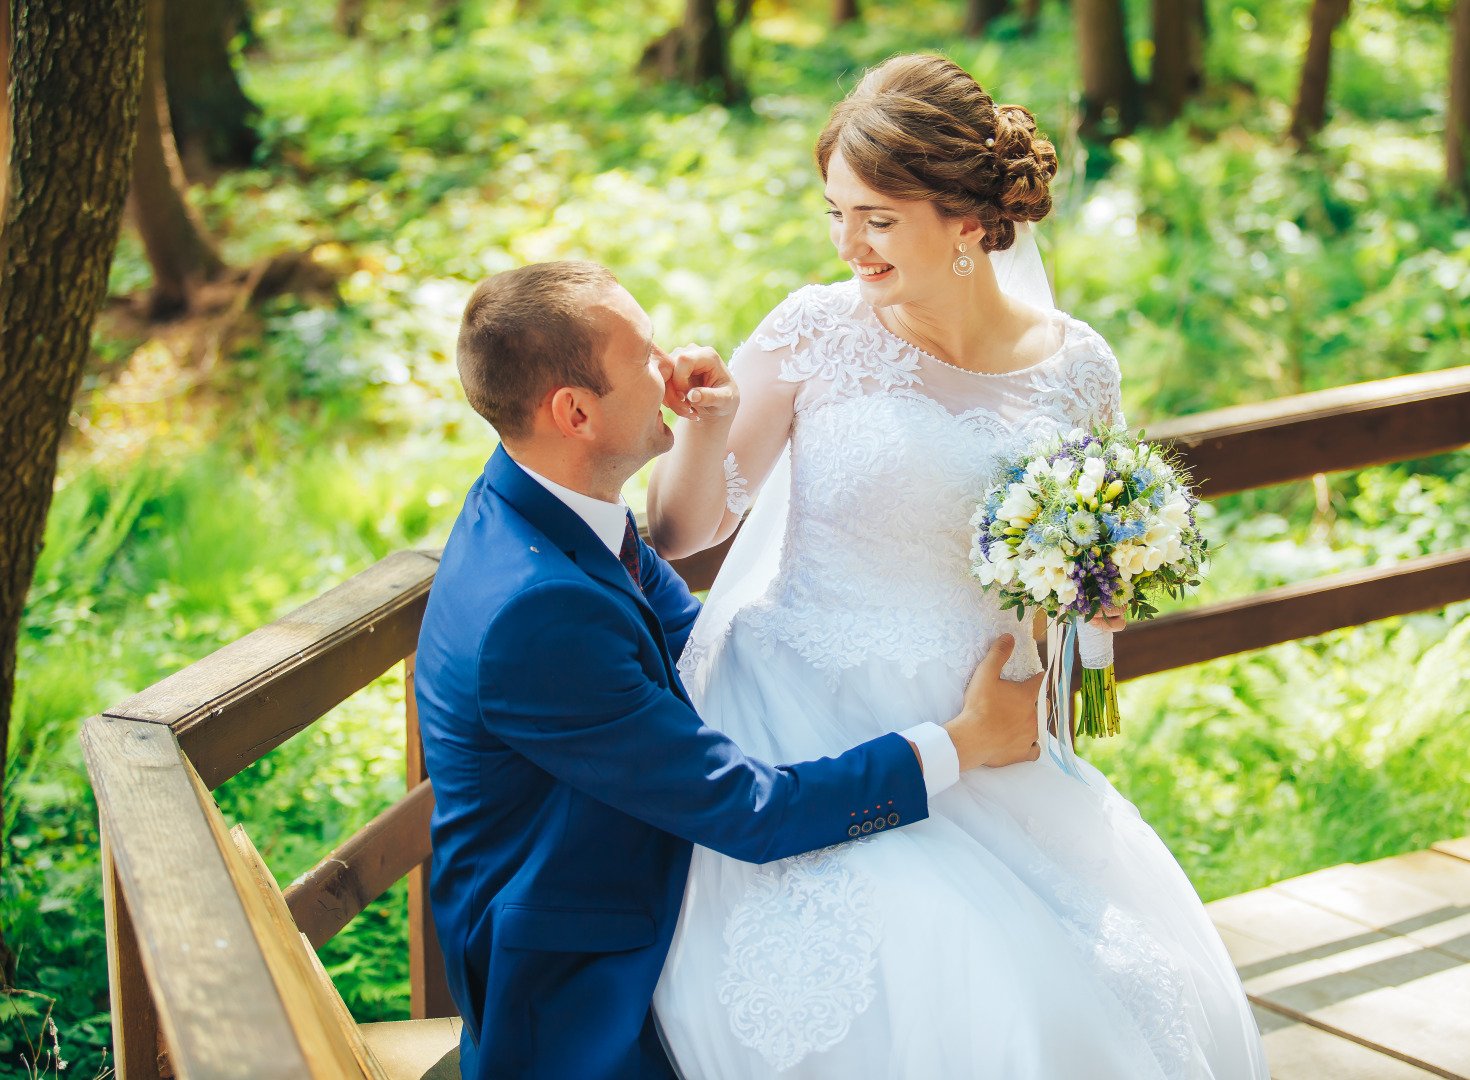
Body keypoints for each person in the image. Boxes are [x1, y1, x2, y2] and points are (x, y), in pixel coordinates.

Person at [646, 55, 1270, 1079]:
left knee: (1098, 988)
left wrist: (1083, 650)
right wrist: (705, 430)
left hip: (991, 721)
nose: (848, 244)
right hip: (806, 711)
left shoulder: (1079, 367)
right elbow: (677, 534)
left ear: (970, 223)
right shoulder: (815, 329)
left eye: (878, 219)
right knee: (944, 964)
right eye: (836, 212)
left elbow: (1083, 567)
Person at [413, 258, 1046, 1080]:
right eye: (643, 357)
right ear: (574, 412)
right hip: (577, 986)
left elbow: (692, 635)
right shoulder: (538, 612)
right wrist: (963, 741)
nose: (675, 363)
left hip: (643, 856)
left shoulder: (547, 504)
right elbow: (753, 815)